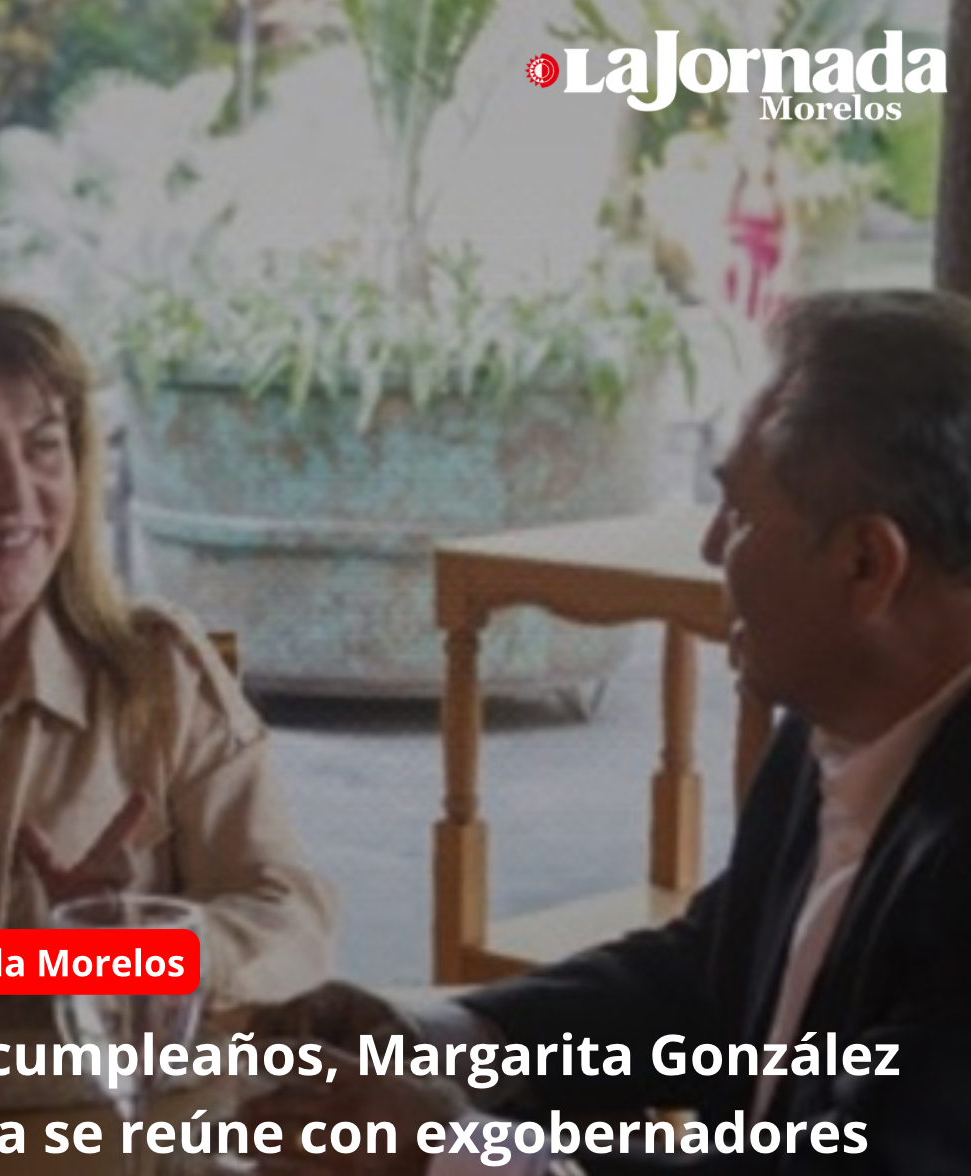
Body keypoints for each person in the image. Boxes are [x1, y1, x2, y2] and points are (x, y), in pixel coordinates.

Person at [244, 288, 971, 1174]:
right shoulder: (840, 728)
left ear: (865, 564)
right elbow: (706, 975)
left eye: (740, 514)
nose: (710, 548)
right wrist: (436, 1042)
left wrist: (444, 1150)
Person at [0, 285, 334, 1028]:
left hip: (105, 1103)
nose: (16, 495)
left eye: (44, 446)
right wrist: (29, 964)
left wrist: (139, 948)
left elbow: (290, 921)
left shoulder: (157, 675)